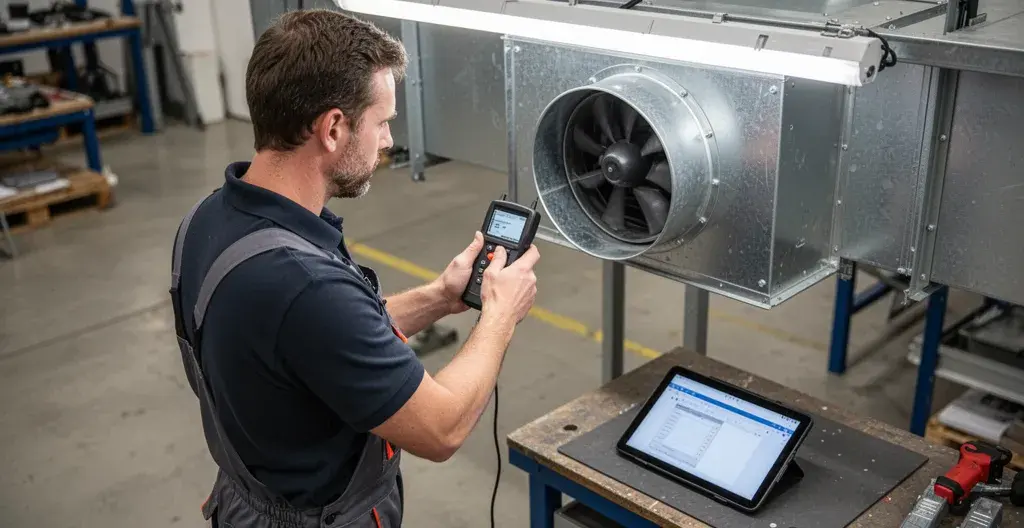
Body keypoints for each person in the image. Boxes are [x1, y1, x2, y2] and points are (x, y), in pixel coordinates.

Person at [168, 9, 539, 528]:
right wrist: (500, 313)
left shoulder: (209, 219)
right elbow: (442, 428)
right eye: (382, 122)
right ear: (334, 128)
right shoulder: (303, 284)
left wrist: (440, 296)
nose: (388, 141)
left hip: (248, 495)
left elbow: (319, 342)